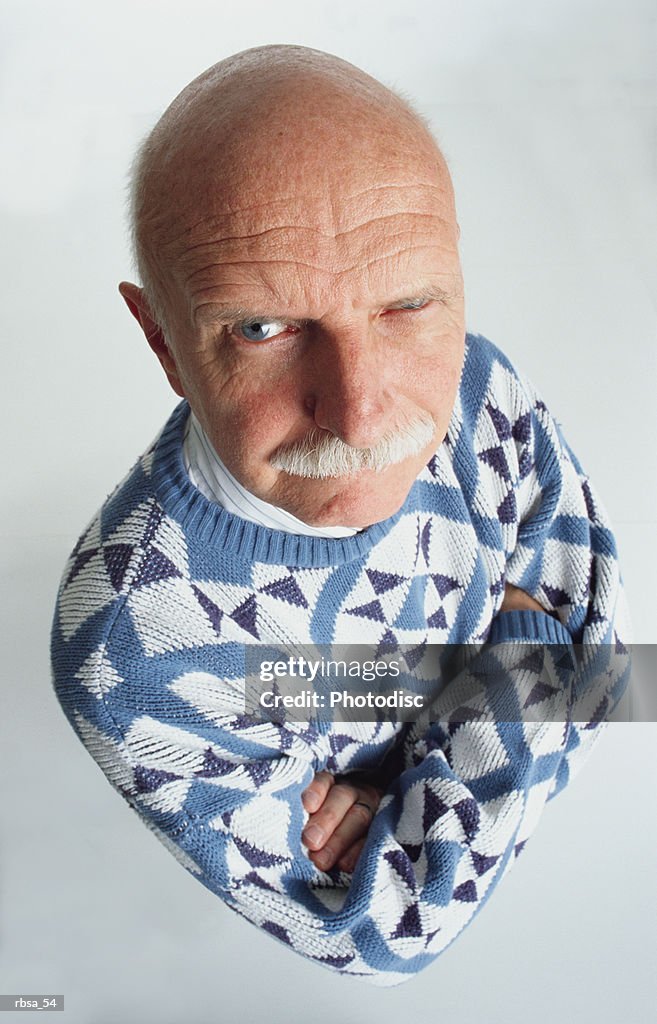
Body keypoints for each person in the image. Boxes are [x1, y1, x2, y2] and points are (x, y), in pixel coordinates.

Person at [50, 44, 630, 985]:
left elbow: (609, 667)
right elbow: (394, 932)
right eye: (263, 327)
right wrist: (519, 667)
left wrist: (398, 787)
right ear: (161, 338)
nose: (364, 412)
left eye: (405, 306)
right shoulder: (132, 647)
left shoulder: (474, 384)